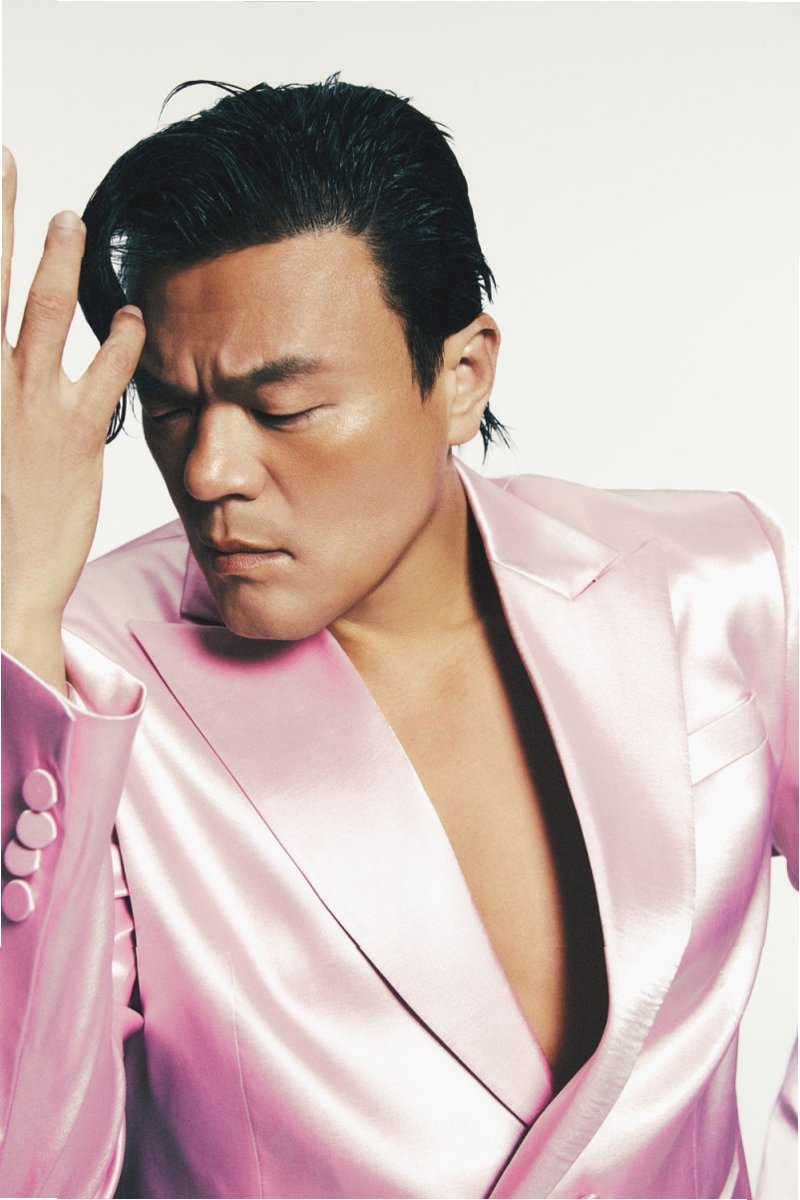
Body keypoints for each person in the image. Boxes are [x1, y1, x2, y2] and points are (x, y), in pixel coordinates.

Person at [0, 77, 795, 1200]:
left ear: (461, 377)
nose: (209, 471)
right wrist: (13, 624)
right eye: (172, 410)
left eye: (282, 408)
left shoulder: (712, 581)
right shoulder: (74, 686)